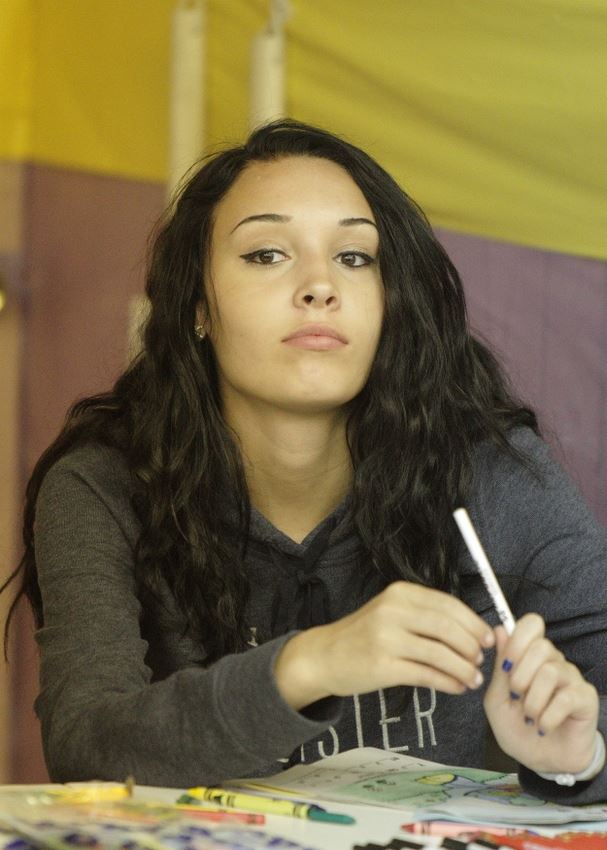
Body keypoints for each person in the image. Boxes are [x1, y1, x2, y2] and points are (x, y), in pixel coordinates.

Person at [3, 119, 606, 801]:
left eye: (354, 258)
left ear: (390, 302)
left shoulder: (493, 471)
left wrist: (578, 755)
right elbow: (87, 744)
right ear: (197, 306)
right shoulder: (101, 484)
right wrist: (312, 663)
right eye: (266, 254)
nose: (320, 286)